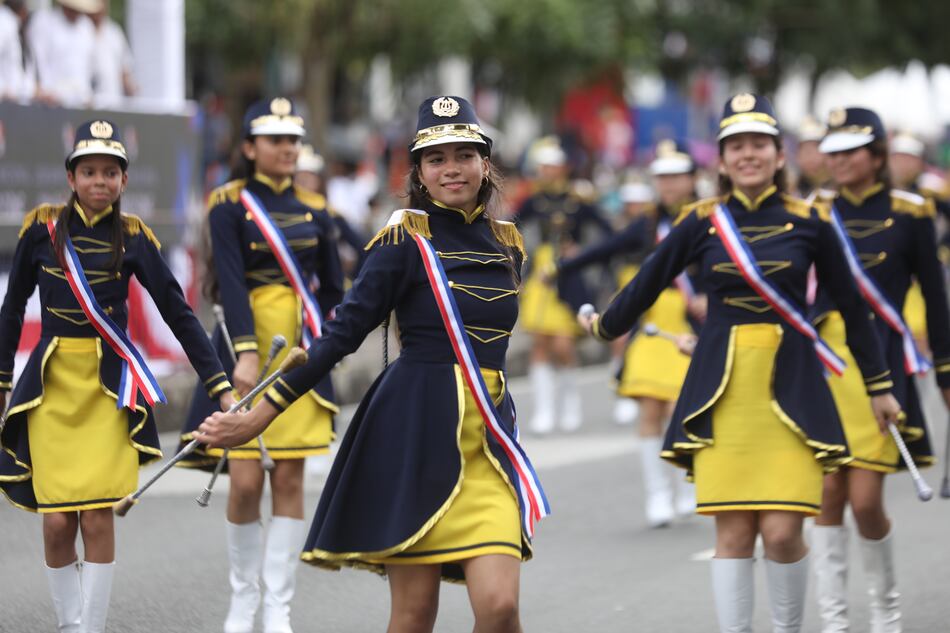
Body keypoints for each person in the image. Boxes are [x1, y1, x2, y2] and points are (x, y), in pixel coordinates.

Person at [195, 95, 548, 633]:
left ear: (485, 162)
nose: (451, 168)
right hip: (414, 432)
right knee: (413, 615)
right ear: (419, 173)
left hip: (489, 439)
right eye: (436, 158)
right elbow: (340, 336)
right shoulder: (404, 238)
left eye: (463, 154)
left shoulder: (509, 244)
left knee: (501, 610)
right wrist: (260, 414)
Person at [578, 94, 901, 633]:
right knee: (731, 536)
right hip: (723, 393)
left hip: (792, 390)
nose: (747, 155)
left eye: (759, 145)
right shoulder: (700, 222)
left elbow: (852, 309)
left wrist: (880, 387)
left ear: (779, 156)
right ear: (722, 161)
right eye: (736, 147)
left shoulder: (812, 221)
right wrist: (605, 325)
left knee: (781, 534)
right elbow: (646, 283)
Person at [0, 120, 233, 633]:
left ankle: (91, 628)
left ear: (124, 181)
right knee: (58, 518)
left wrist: (218, 383)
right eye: (89, 171)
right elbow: (12, 309)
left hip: (109, 390)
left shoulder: (134, 237)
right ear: (72, 176)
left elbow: (178, 312)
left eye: (110, 171)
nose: (99, 181)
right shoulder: (41, 231)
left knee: (99, 514)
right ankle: (69, 624)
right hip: (52, 388)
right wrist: (0, 381)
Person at [177, 98, 344, 633]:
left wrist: (324, 342)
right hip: (244, 344)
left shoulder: (318, 208)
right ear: (249, 148)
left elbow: (335, 292)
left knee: (290, 479)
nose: (287, 148)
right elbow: (228, 279)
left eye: (293, 139)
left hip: (298, 350)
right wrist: (245, 353)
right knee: (246, 481)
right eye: (274, 140)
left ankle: (278, 605)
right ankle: (243, 599)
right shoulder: (229, 205)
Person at [809, 108, 950, 633]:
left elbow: (935, 301)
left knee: (866, 501)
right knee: (826, 494)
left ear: (877, 155)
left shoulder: (911, 213)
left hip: (881, 372)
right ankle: (835, 620)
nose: (840, 161)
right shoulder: (812, 210)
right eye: (834, 151)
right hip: (826, 364)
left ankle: (886, 611)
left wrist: (945, 368)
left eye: (852, 151)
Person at [558, 139, 703, 527]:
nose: (669, 185)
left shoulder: (709, 218)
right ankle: (658, 496)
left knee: (682, 410)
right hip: (652, 329)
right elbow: (607, 249)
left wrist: (706, 299)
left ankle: (688, 485)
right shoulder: (647, 223)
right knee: (651, 410)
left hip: (691, 331)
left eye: (676, 176)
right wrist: (564, 268)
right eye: (663, 177)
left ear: (693, 179)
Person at [516, 139, 611, 433]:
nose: (547, 171)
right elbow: (511, 230)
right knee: (540, 341)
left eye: (552, 166)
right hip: (541, 274)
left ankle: (570, 401)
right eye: (543, 166)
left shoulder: (579, 200)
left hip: (569, 273)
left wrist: (580, 252)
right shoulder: (532, 201)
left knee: (563, 344)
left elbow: (606, 233)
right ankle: (544, 409)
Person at [294, 143, 368, 279]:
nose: (304, 181)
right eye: (300, 176)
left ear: (319, 181)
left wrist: (350, 281)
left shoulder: (330, 215)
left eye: (309, 176)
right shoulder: (285, 213)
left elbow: (363, 248)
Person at [26, 0, 98, 107]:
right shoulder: (44, 21)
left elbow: (88, 68)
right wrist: (40, 90)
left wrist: (87, 94)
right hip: (49, 103)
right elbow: (35, 61)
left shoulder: (87, 27)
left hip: (81, 102)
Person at [90, 0, 135, 106]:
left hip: (114, 103)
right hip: (89, 104)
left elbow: (124, 70)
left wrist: (130, 89)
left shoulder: (114, 32)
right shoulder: (81, 30)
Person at [794, 115, 830, 199]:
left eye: (815, 147)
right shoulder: (791, 191)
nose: (809, 156)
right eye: (804, 150)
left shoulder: (839, 188)